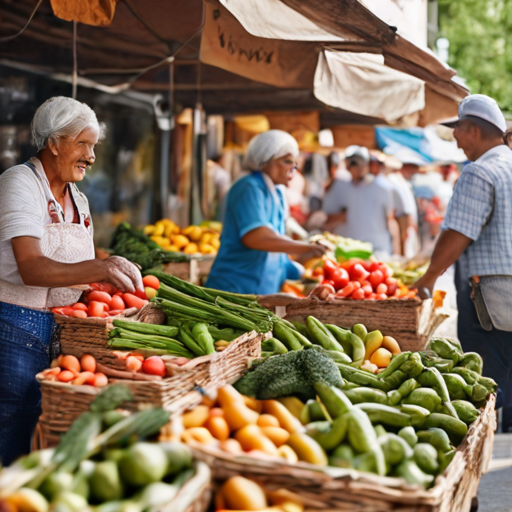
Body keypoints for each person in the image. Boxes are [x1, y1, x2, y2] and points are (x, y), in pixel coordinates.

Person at [0, 97, 143, 464]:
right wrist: (99, 268)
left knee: (42, 430)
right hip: (15, 327)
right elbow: (31, 267)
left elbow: (76, 270)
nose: (91, 157)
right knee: (10, 427)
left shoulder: (78, 199)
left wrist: (106, 286)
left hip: (64, 332)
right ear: (54, 142)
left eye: (93, 146)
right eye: (83, 144)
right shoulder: (19, 183)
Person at [415, 94, 512, 431]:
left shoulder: (479, 172)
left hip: (488, 297)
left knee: (488, 380)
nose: (455, 137)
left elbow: (458, 232)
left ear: (473, 130)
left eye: (458, 129)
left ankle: (487, 439)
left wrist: (428, 277)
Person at [206, 130, 326, 295]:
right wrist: (306, 248)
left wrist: (303, 272)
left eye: (294, 162)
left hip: (261, 296)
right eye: (286, 161)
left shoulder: (277, 193)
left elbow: (276, 252)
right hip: (233, 292)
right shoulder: (249, 187)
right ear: (264, 162)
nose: (293, 167)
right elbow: (257, 237)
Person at [322, 145, 395, 257]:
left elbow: (391, 219)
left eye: (363, 163)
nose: (360, 168)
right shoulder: (339, 186)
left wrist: (397, 251)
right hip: (348, 251)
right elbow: (328, 218)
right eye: (354, 164)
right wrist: (346, 215)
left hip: (377, 249)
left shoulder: (382, 187)